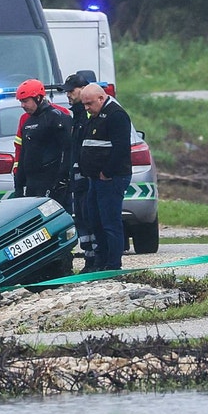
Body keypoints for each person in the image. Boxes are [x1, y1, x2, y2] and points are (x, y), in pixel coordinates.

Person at [79, 83, 132, 271]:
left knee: (110, 222)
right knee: (95, 220)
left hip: (111, 178)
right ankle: (100, 262)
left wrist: (107, 172)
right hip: (95, 178)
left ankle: (113, 264)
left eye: (89, 104)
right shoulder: (93, 116)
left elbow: (121, 149)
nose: (86, 108)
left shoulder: (116, 115)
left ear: (101, 99)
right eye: (84, 104)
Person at [12, 79, 72, 202]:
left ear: (38, 98)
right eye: (21, 102)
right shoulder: (27, 122)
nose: (22, 105)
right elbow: (23, 154)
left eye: (25, 101)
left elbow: (67, 150)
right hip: (32, 183)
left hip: (53, 182)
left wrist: (62, 179)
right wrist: (19, 184)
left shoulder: (56, 117)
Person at [62, 72, 97, 270]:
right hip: (76, 175)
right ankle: (89, 257)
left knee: (90, 215)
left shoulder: (88, 114)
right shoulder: (76, 115)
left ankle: (96, 257)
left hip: (87, 175)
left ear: (83, 89)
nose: (68, 95)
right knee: (81, 216)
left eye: (71, 91)